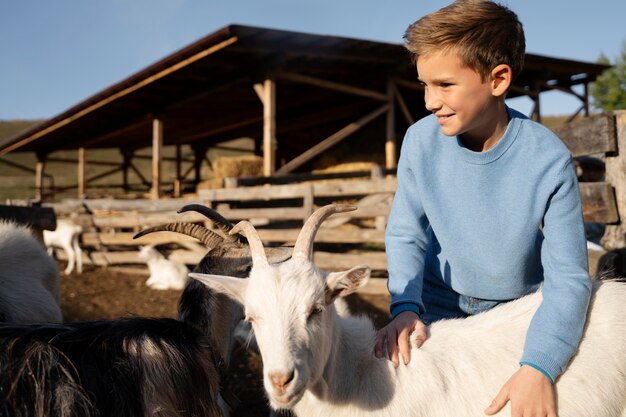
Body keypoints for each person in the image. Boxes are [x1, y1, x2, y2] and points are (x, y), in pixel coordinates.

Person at [373, 1, 592, 416]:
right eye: (424, 85)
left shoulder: (548, 160)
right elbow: (407, 233)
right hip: (436, 306)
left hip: (516, 311)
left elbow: (569, 278)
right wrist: (405, 308)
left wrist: (539, 366)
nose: (429, 101)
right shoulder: (420, 143)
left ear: (498, 79)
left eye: (444, 85)